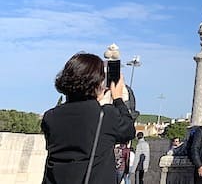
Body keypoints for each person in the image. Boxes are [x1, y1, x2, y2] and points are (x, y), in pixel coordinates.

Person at [41, 52, 136, 184]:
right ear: (97, 83)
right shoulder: (106, 116)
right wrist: (118, 98)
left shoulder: (50, 117)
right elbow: (129, 130)